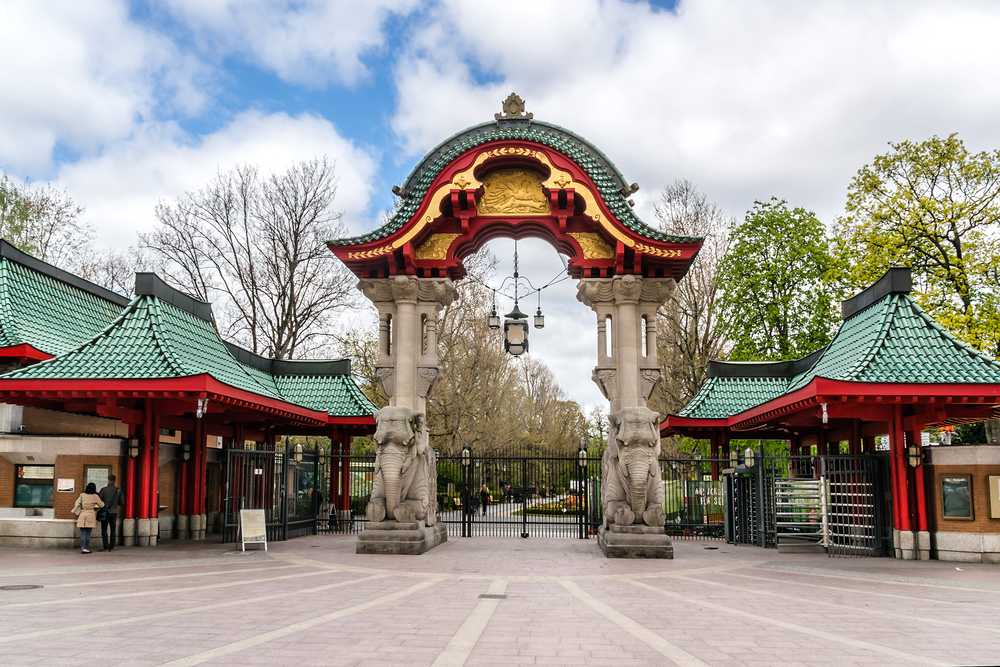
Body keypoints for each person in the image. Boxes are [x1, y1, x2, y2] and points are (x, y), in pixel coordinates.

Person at [75, 483, 104, 554]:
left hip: (82, 514)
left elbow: (77, 503)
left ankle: (83, 548)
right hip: (90, 515)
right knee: (88, 533)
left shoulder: (82, 495)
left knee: (83, 533)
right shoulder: (95, 496)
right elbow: (101, 505)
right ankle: (86, 548)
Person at [97, 475, 123, 552]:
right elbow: (122, 501)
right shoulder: (118, 490)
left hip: (105, 512)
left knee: (104, 529)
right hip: (114, 512)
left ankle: (106, 546)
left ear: (108, 481)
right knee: (113, 529)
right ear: (115, 481)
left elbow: (99, 499)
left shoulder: (103, 490)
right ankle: (112, 546)